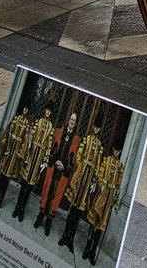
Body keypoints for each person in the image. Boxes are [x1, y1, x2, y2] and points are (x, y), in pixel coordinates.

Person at [57, 119, 105, 251]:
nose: (96, 129)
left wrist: (94, 178)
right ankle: (65, 235)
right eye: (95, 126)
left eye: (98, 127)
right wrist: (81, 166)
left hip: (87, 182)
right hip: (79, 179)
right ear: (93, 126)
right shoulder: (86, 139)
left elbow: (98, 164)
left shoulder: (100, 146)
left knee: (78, 213)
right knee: (72, 210)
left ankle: (71, 239)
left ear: (100, 129)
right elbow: (78, 156)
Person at [34, 110, 79, 235]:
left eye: (74, 121)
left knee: (56, 197)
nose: (72, 122)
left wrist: (64, 166)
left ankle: (48, 222)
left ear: (76, 124)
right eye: (71, 119)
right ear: (68, 120)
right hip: (53, 167)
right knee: (47, 191)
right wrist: (55, 161)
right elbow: (53, 148)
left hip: (62, 172)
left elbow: (73, 158)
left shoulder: (76, 139)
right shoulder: (59, 132)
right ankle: (40, 217)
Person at [82, 145, 124, 265]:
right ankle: (87, 248)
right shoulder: (106, 160)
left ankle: (93, 251)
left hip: (109, 198)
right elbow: (99, 174)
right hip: (101, 195)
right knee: (93, 223)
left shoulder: (120, 167)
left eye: (118, 150)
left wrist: (115, 199)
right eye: (115, 149)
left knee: (100, 226)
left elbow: (118, 184)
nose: (116, 152)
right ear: (113, 149)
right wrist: (102, 183)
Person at [12, 106, 54, 223]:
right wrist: (30, 142)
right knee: (23, 184)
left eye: (50, 111)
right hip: (31, 156)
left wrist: (45, 160)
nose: (48, 112)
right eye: (47, 110)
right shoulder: (39, 121)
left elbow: (49, 146)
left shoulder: (51, 127)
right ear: (45, 110)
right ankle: (17, 207)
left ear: (51, 113)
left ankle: (22, 209)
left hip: (38, 160)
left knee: (29, 187)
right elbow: (32, 133)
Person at [0, 104, 31, 209]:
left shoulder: (27, 124)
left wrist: (20, 154)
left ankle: (1, 198)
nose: (25, 109)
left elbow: (25, 141)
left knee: (7, 178)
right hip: (8, 149)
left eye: (27, 109)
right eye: (24, 108)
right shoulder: (15, 118)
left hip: (14, 154)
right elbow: (8, 131)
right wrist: (4, 143)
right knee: (2, 176)